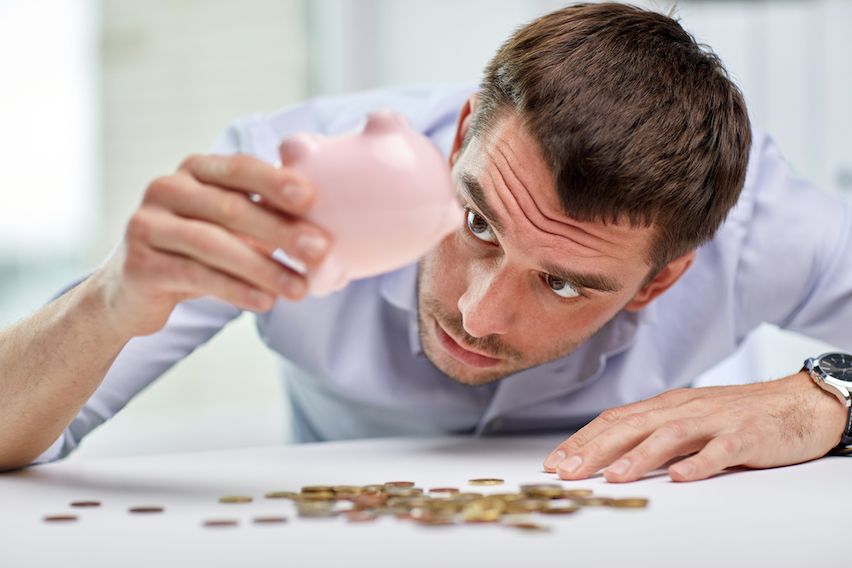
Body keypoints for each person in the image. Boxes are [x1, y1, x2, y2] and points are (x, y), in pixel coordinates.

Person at [1, 2, 850, 482]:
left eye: (564, 283)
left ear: (663, 281)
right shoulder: (292, 179)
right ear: (461, 138)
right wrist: (108, 303)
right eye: (477, 223)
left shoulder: (768, 233)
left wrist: (824, 397)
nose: (476, 314)